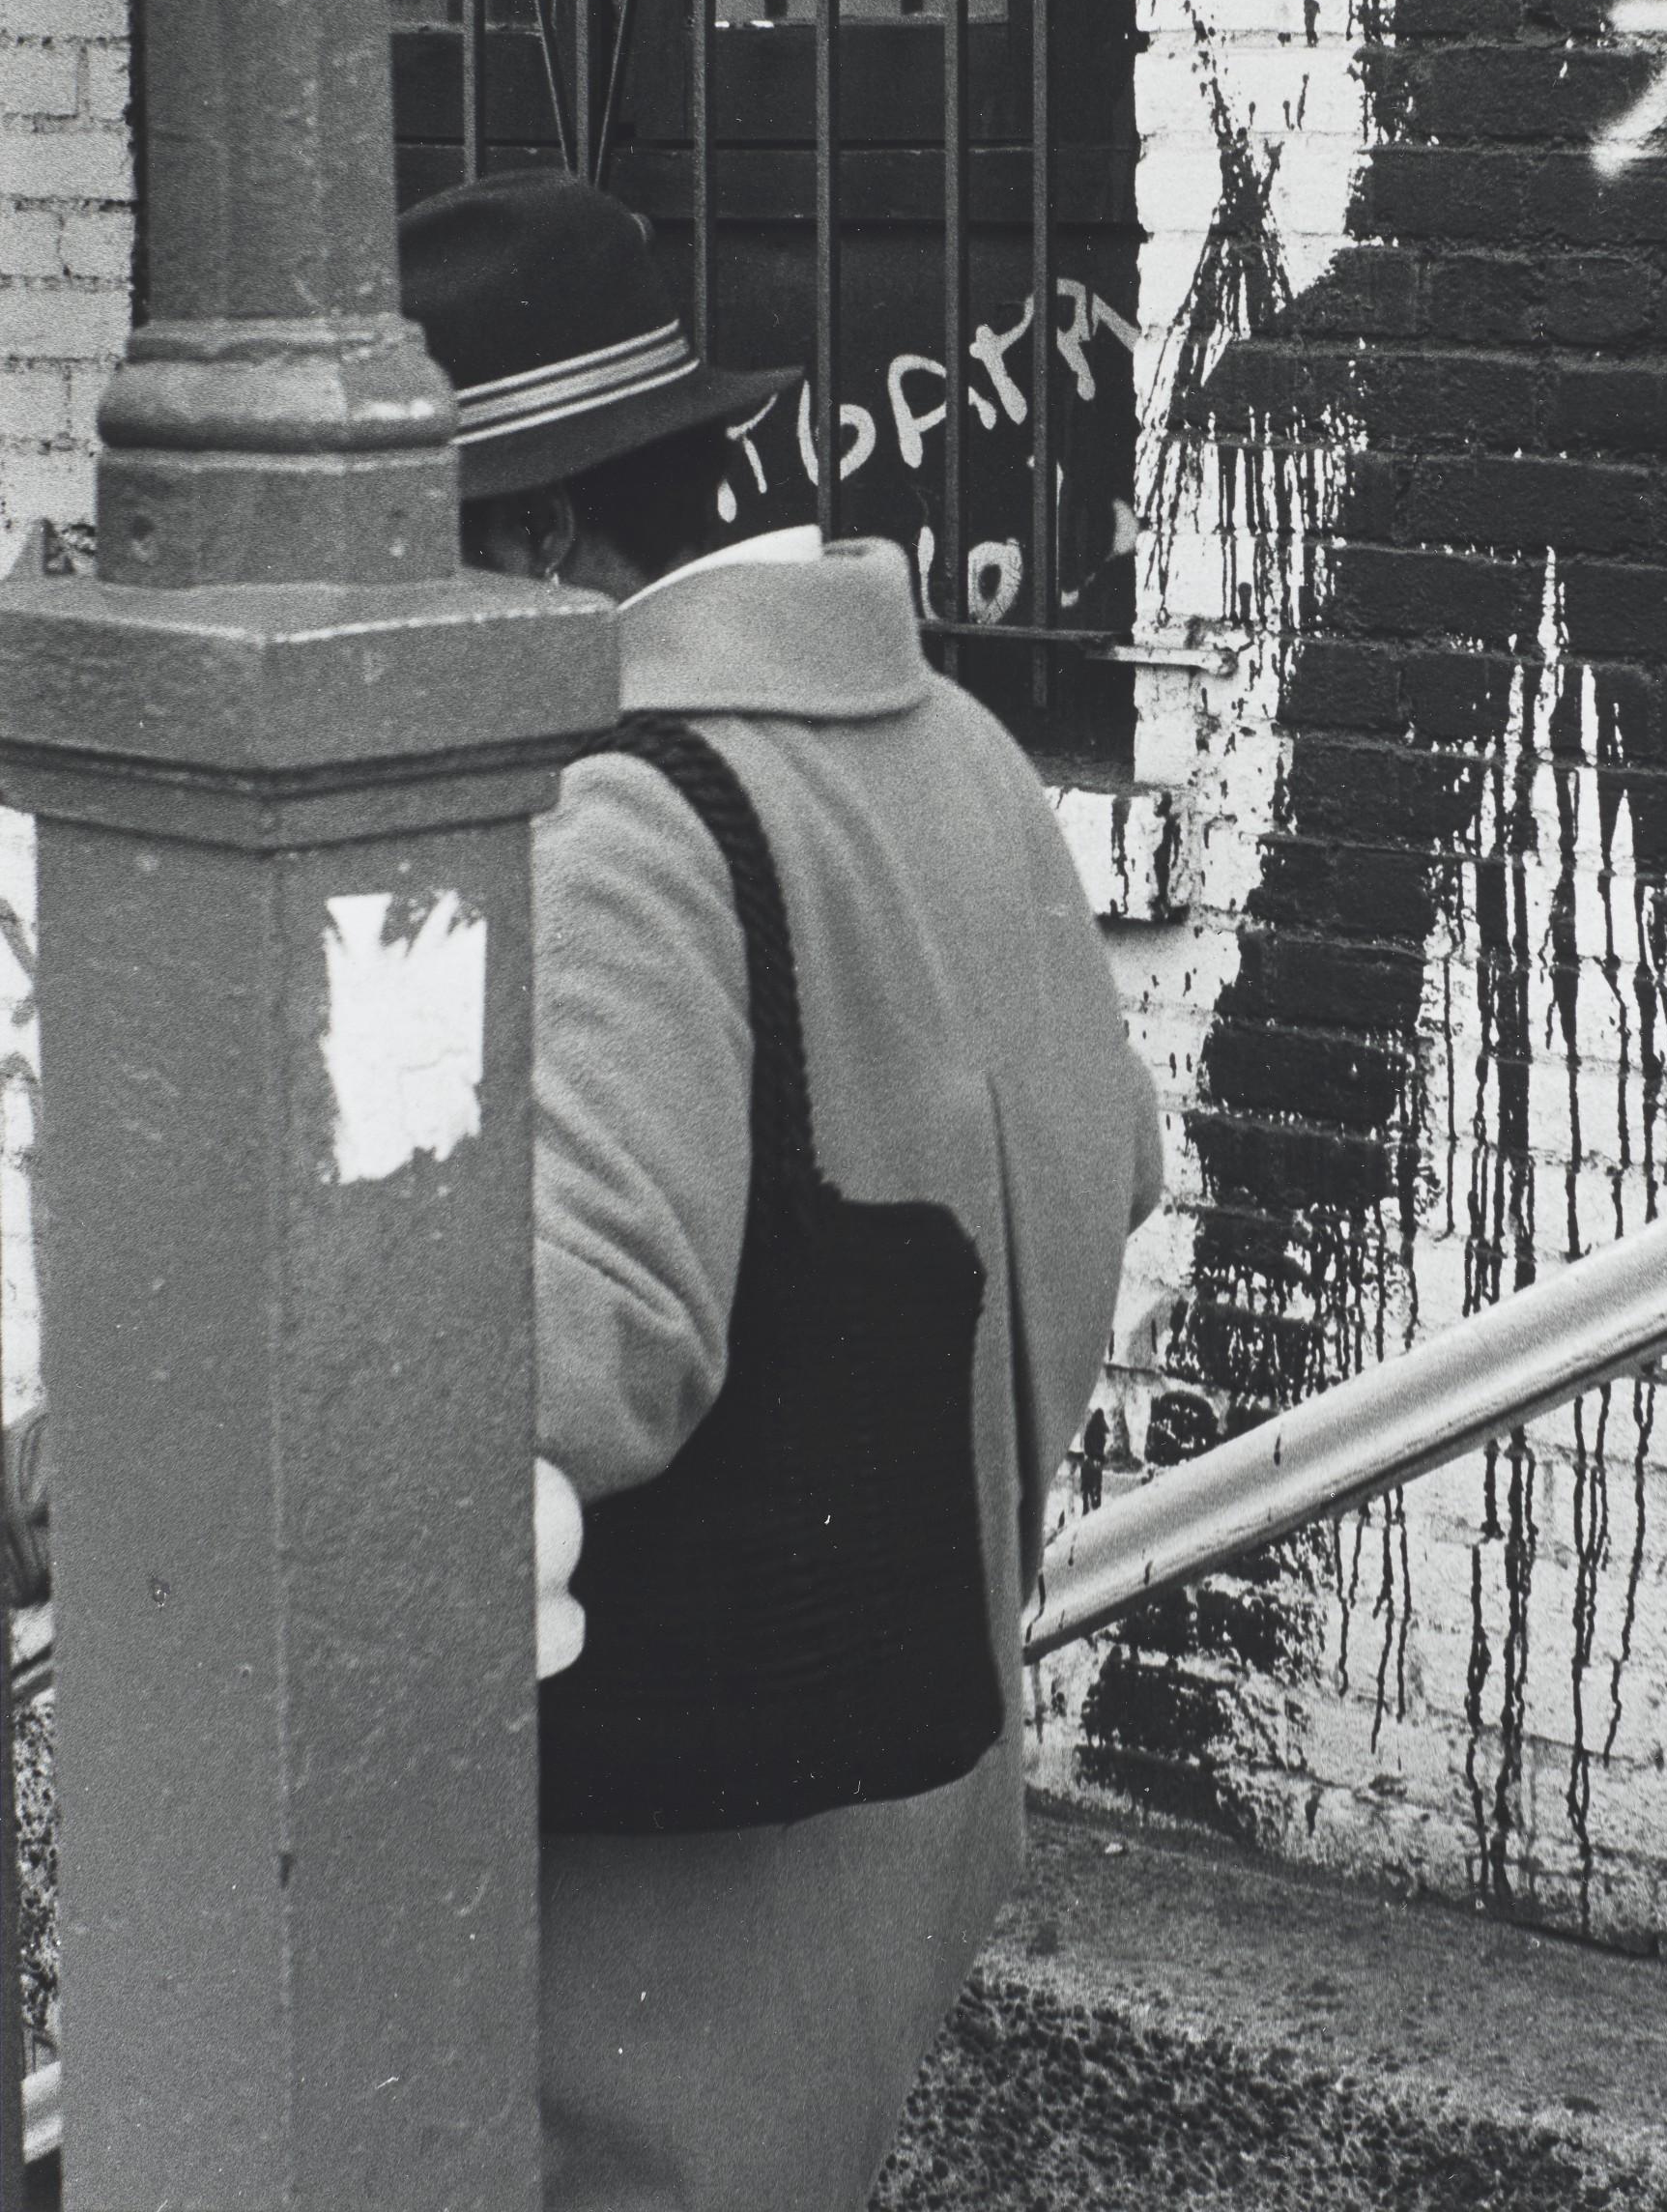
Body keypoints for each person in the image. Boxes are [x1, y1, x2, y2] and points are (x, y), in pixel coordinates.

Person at [397, 169, 1164, 2212]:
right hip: (910, 1770)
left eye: (409, 569)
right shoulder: (963, 751)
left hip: (679, 1867)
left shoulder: (619, 824)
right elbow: (1127, 1154)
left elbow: (580, 1357)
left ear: (543, 541)